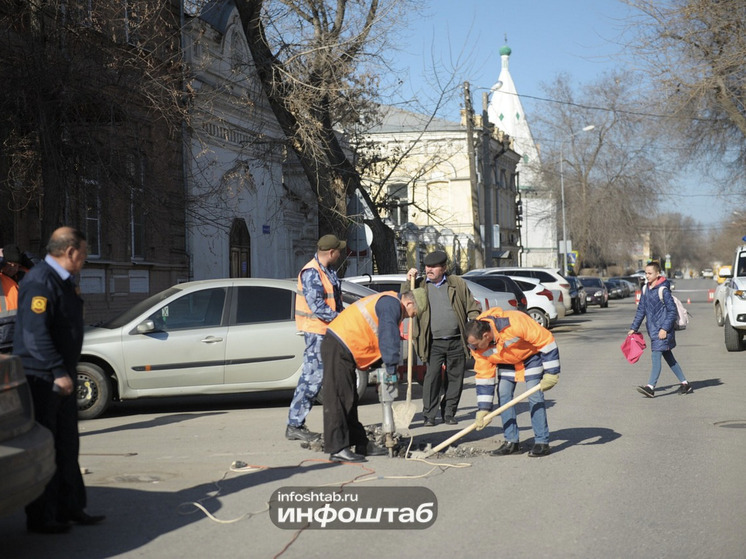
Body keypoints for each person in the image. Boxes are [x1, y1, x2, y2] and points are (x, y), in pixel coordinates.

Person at [13, 227, 105, 534]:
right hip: (43, 378)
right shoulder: (39, 281)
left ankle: (71, 507)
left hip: (60, 375)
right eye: (84, 252)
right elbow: (34, 334)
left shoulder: (62, 282)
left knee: (68, 444)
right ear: (70, 252)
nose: (85, 259)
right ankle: (42, 517)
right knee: (48, 446)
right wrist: (57, 371)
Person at [321, 288, 425, 462]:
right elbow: (388, 336)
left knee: (350, 398)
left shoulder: (389, 302)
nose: (410, 318)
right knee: (339, 399)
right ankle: (337, 448)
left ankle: (360, 443)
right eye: (412, 314)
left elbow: (373, 333)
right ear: (409, 303)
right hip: (338, 345)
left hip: (345, 347)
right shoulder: (391, 304)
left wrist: (379, 363)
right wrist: (391, 368)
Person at [464, 307, 561, 457]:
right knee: (503, 394)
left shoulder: (514, 322)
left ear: (486, 335)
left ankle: (542, 442)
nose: (473, 348)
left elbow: (545, 340)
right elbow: (484, 375)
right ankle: (511, 442)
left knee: (534, 395)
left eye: (475, 345)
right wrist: (483, 408)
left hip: (531, 358)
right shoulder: (477, 346)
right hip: (507, 361)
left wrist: (551, 373)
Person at [404, 250, 480, 426]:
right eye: (427, 266)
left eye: (434, 267)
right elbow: (405, 300)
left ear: (444, 268)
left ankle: (449, 413)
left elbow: (472, 307)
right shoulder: (420, 285)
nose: (429, 269)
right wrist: (408, 282)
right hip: (433, 342)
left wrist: (474, 328)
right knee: (432, 378)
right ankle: (429, 415)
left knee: (456, 378)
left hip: (456, 340)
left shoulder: (457, 284)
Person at [286, 234, 346, 443]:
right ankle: (294, 424)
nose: (341, 253)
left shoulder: (326, 270)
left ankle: (332, 422)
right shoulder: (312, 272)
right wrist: (342, 318)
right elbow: (318, 306)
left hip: (327, 331)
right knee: (312, 379)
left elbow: (333, 302)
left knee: (325, 378)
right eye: (339, 250)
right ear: (331, 252)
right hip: (317, 331)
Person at [628, 261, 692, 397]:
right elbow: (641, 309)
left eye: (650, 273)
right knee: (669, 358)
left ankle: (650, 387)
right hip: (653, 330)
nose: (647, 276)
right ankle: (685, 384)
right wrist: (634, 327)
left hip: (663, 331)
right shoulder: (645, 289)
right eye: (646, 273)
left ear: (658, 274)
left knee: (656, 356)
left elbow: (672, 311)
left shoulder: (663, 290)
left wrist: (664, 329)